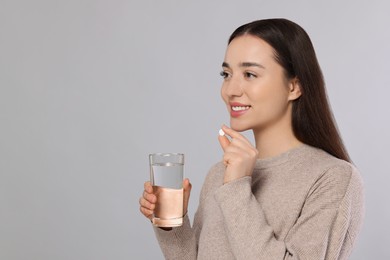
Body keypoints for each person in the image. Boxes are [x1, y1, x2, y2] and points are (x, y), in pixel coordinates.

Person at [139, 18, 364, 259]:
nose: (231, 90)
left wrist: (237, 188)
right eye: (226, 74)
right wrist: (172, 226)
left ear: (293, 87)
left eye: (249, 74)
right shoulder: (220, 174)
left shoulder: (333, 177)